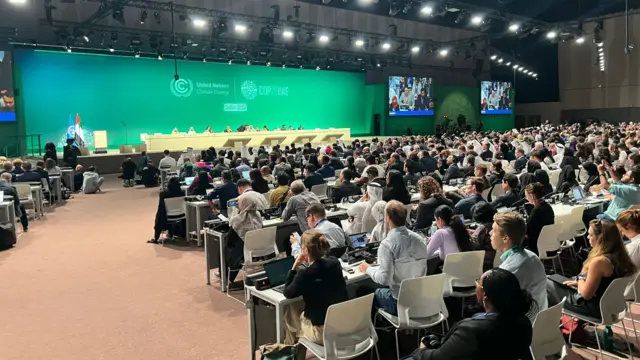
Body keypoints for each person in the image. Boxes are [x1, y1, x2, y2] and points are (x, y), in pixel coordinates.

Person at [409, 268, 534, 360]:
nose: (476, 285)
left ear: (485, 295)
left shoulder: (472, 332)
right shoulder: (524, 323)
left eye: (478, 283)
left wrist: (422, 350)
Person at [547, 219, 636, 318]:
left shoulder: (599, 261)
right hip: (611, 306)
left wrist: (581, 278)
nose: (587, 237)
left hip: (593, 309)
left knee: (546, 283)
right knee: (555, 280)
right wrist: (582, 284)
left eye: (591, 234)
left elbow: (586, 295)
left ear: (601, 238)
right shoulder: (620, 256)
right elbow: (604, 284)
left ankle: (552, 326)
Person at [358, 201, 428, 315]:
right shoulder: (420, 239)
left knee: (362, 291)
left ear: (387, 218)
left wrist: (368, 269)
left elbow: (384, 280)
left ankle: (375, 331)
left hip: (399, 303)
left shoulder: (387, 244)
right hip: (420, 298)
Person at [283, 229, 349, 345]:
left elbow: (288, 293)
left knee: (290, 314)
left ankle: (290, 350)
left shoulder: (305, 273)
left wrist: (294, 267)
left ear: (306, 251)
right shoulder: (335, 263)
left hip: (322, 332)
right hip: (343, 324)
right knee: (296, 309)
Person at [491, 211, 548, 319]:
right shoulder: (533, 256)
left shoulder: (507, 272)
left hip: (522, 330)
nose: (490, 233)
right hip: (541, 322)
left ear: (505, 238)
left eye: (493, 230)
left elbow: (499, 311)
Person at [225, 181, 269, 287]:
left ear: (239, 188)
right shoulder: (260, 196)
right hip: (262, 248)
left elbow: (231, 236)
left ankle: (227, 279)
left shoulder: (240, 202)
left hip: (246, 251)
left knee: (225, 249)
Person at [148, 177, 184, 244]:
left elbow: (161, 207)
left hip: (167, 215)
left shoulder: (163, 194)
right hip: (181, 215)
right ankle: (175, 233)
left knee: (159, 215)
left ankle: (156, 237)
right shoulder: (182, 193)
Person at [524, 183, 555, 256]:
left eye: (526, 196)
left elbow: (528, 230)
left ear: (531, 196)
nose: (526, 198)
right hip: (551, 243)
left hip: (539, 246)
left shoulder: (536, 211)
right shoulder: (548, 207)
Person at [469, 201, 497, 271]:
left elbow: (473, 245)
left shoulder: (482, 229)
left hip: (485, 263)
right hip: (498, 259)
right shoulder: (496, 224)